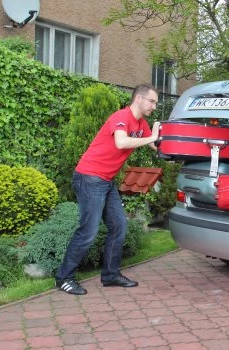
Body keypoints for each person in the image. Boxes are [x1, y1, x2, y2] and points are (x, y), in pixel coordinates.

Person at [55, 84, 161, 295]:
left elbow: (155, 145)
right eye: (152, 101)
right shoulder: (120, 117)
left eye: (156, 103)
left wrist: (172, 144)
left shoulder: (142, 123)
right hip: (90, 177)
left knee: (119, 225)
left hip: (106, 180)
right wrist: (152, 137)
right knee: (89, 231)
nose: (154, 107)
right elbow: (121, 142)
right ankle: (63, 278)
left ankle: (110, 275)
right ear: (138, 99)